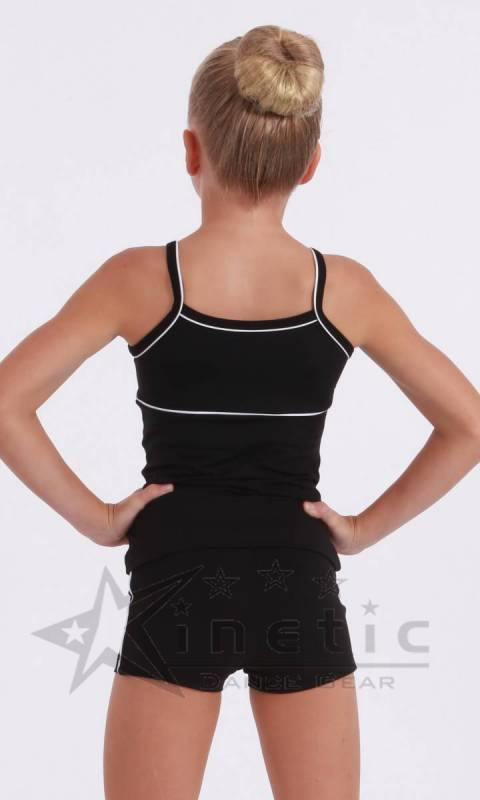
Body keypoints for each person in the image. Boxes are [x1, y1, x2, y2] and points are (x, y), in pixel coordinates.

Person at [0, 23, 479, 800]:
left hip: (175, 578)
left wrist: (98, 518)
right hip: (298, 580)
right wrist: (361, 529)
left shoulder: (139, 280)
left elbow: (6, 402)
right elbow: (469, 425)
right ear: (310, 164)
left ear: (191, 151)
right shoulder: (342, 291)